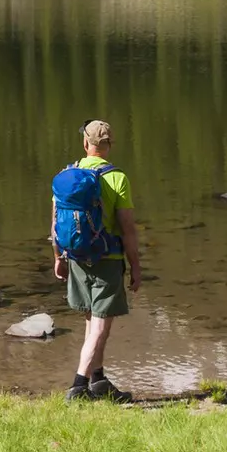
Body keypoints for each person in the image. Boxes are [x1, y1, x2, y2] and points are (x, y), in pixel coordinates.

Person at [52, 119, 141, 402]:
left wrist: (58, 257)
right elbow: (128, 229)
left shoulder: (66, 176)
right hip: (108, 259)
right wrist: (136, 267)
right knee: (100, 329)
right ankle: (78, 386)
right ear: (108, 146)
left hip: (77, 257)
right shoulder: (117, 179)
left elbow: (55, 223)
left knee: (92, 323)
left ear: (85, 144)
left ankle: (99, 381)